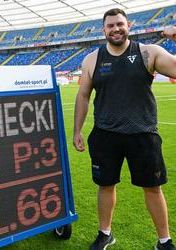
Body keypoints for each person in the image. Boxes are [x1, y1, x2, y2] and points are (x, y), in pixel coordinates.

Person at [73, 8, 176, 250]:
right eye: (110, 25)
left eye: (120, 24)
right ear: (104, 30)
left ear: (128, 25)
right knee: (105, 185)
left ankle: (165, 241)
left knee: (153, 188)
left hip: (143, 134)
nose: (116, 29)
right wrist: (77, 130)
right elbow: (83, 96)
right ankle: (105, 233)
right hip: (105, 134)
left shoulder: (148, 53)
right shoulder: (92, 59)